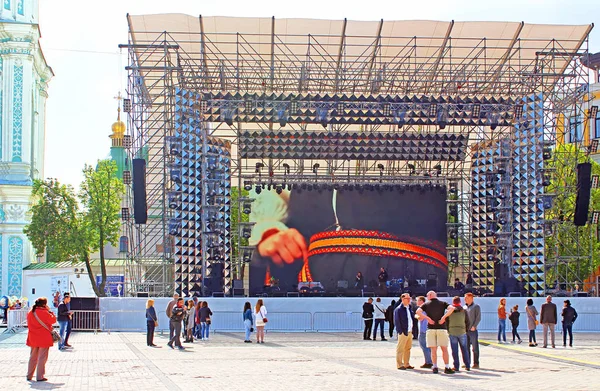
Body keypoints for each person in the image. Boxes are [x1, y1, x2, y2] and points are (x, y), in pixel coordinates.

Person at [416, 290, 455, 374]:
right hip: (441, 328)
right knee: (444, 349)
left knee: (433, 349)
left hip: (431, 328)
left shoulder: (425, 304)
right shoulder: (443, 303)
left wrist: (428, 319)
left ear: (430, 295)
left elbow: (418, 311)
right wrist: (444, 317)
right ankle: (447, 366)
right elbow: (452, 308)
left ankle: (435, 366)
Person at [26, 297, 57, 382]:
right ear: (44, 304)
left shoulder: (30, 312)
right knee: (42, 358)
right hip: (44, 337)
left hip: (33, 337)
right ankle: (40, 376)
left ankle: (29, 375)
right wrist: (51, 312)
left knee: (32, 357)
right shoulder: (45, 313)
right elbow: (53, 320)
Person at [447, 296, 470, 372]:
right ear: (460, 302)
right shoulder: (464, 310)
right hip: (462, 332)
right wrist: (465, 330)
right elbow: (467, 321)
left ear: (453, 302)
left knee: (454, 350)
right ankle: (467, 365)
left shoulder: (449, 311)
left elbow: (447, 321)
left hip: (452, 331)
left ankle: (456, 366)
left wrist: (448, 330)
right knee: (464, 349)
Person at [394, 293, 415, 370]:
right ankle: (399, 364)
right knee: (400, 349)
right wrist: (400, 331)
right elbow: (397, 321)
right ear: (403, 299)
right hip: (403, 332)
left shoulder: (409, 308)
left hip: (409, 331)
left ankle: (406, 363)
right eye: (407, 298)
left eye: (409, 298)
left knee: (408, 348)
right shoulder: (399, 309)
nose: (409, 300)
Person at [464, 293, 481, 368]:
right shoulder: (464, 307)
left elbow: (478, 317)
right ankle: (467, 363)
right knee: (466, 347)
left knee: (475, 347)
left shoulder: (476, 307)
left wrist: (474, 326)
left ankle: (476, 363)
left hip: (473, 330)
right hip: (465, 330)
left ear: (471, 298)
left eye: (466, 298)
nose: (465, 299)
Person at [415, 296, 433, 368]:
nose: (417, 302)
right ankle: (430, 360)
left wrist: (416, 316)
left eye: (418, 300)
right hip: (426, 329)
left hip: (423, 330)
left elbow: (421, 317)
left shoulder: (423, 309)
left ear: (422, 301)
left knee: (424, 346)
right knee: (428, 347)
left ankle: (428, 362)